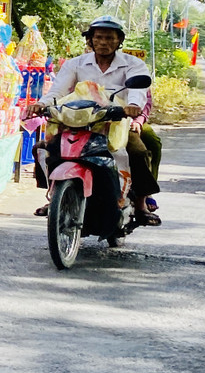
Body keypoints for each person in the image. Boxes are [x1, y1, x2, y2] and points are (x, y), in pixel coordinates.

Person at [26, 16, 156, 224]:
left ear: (119, 41)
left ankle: (140, 205)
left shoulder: (133, 65)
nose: (103, 42)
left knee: (138, 151)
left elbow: (137, 92)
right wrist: (42, 104)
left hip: (116, 124)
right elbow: (58, 91)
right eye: (99, 38)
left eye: (109, 38)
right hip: (77, 122)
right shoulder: (76, 64)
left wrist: (133, 108)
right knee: (45, 148)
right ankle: (55, 196)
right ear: (90, 40)